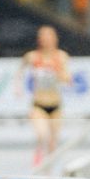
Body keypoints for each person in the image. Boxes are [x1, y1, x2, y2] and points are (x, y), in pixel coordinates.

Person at [21, 25, 70, 166]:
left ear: (55, 39)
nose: (46, 40)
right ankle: (38, 153)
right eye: (43, 37)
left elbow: (67, 78)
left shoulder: (61, 56)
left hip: (56, 106)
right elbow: (20, 69)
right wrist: (17, 87)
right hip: (38, 105)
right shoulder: (32, 57)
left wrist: (55, 71)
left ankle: (48, 174)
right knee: (43, 135)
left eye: (49, 36)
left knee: (53, 143)